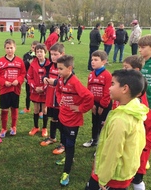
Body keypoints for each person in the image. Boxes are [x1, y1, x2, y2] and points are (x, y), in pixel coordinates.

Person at [85, 69, 148, 190]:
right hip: (123, 172)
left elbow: (113, 151)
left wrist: (103, 178)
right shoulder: (136, 109)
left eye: (113, 84)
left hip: (112, 177)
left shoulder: (120, 120)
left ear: (125, 89)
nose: (109, 88)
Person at [121, 55, 151, 190]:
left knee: (137, 178)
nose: (123, 70)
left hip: (137, 148)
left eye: (126, 68)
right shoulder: (124, 94)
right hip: (124, 144)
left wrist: (145, 144)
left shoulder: (138, 104)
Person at [55, 55, 94, 186]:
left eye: (60, 69)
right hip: (62, 116)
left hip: (73, 120)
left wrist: (80, 108)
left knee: (70, 145)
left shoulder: (75, 82)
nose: (58, 71)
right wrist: (60, 98)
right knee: (64, 140)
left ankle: (66, 172)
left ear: (69, 68)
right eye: (57, 68)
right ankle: (67, 157)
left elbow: (89, 96)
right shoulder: (61, 79)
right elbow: (58, 90)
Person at [0, 39, 26, 138]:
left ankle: (13, 127)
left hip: (15, 90)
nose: (9, 50)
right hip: (4, 90)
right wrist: (4, 82)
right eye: (7, 48)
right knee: (4, 109)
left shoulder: (19, 61)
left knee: (14, 108)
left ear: (15, 48)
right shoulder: (0, 61)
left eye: (11, 48)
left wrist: (19, 80)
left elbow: (23, 73)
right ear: (5, 49)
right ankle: (4, 128)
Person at [83, 50, 112, 148]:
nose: (92, 62)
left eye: (96, 60)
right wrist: (92, 104)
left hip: (105, 104)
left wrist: (103, 105)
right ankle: (94, 139)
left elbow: (107, 92)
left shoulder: (107, 75)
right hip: (94, 103)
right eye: (92, 59)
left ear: (103, 62)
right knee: (94, 122)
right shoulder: (91, 74)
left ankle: (102, 144)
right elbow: (88, 90)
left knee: (102, 124)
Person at [40, 42, 65, 155]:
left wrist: (55, 82)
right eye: (52, 54)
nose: (53, 57)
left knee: (62, 121)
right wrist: (45, 78)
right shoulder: (50, 65)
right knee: (53, 118)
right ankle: (52, 137)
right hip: (51, 97)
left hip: (61, 99)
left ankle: (63, 143)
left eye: (56, 54)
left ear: (62, 54)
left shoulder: (65, 67)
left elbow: (68, 81)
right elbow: (45, 74)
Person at [27, 43, 50, 137]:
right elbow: (29, 77)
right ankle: (36, 127)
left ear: (45, 52)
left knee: (45, 110)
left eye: (41, 51)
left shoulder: (49, 64)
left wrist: (43, 88)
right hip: (35, 90)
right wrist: (35, 87)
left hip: (45, 91)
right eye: (37, 52)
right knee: (36, 109)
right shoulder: (33, 64)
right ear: (35, 53)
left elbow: (50, 77)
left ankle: (44, 128)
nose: (39, 53)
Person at [20, 41, 39, 114]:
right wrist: (29, 62)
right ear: (31, 47)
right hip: (28, 78)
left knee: (38, 94)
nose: (34, 49)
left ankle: (40, 111)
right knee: (28, 93)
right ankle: (27, 108)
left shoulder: (40, 55)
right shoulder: (26, 55)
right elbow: (23, 66)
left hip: (37, 78)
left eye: (36, 48)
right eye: (33, 47)